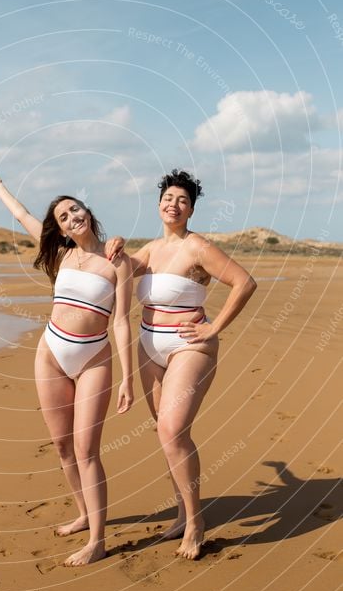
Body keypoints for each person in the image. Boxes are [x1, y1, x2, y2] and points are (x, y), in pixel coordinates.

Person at [0, 174, 134, 566]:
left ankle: (98, 540)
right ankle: (84, 515)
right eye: (63, 217)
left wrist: (128, 379)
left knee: (86, 451)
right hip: (50, 353)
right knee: (63, 446)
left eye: (74, 209)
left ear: (88, 212)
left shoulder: (117, 259)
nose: (70, 218)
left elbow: (121, 322)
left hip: (93, 360)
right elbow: (23, 215)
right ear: (60, 227)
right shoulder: (62, 253)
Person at [106, 169, 256, 560]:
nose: (174, 205)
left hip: (189, 346)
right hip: (148, 345)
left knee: (173, 431)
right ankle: (181, 512)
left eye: (182, 200)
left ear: (191, 209)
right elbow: (118, 268)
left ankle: (194, 522)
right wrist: (117, 247)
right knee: (166, 435)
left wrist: (214, 328)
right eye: (168, 198)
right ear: (159, 204)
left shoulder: (198, 248)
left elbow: (244, 282)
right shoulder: (152, 249)